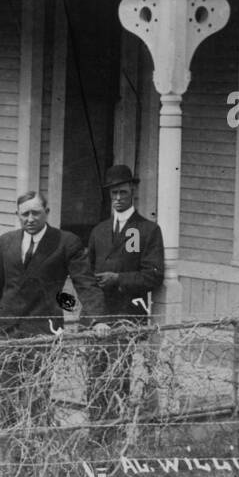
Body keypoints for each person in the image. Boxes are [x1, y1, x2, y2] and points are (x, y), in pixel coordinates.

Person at [0, 190, 107, 428]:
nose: (30, 219)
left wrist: (98, 319)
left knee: (36, 393)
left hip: (42, 329)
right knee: (7, 391)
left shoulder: (65, 242)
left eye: (35, 213)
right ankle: (11, 444)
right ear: (17, 215)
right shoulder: (6, 241)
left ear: (47, 213)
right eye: (24, 214)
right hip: (7, 329)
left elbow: (85, 283)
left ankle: (36, 448)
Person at [85, 165, 166, 426]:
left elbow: (153, 275)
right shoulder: (99, 231)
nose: (118, 198)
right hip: (98, 316)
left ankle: (114, 431)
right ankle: (95, 429)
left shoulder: (148, 230)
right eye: (113, 193)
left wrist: (119, 279)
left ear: (133, 191)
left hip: (125, 314)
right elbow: (86, 275)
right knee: (94, 375)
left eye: (122, 192)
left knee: (118, 375)